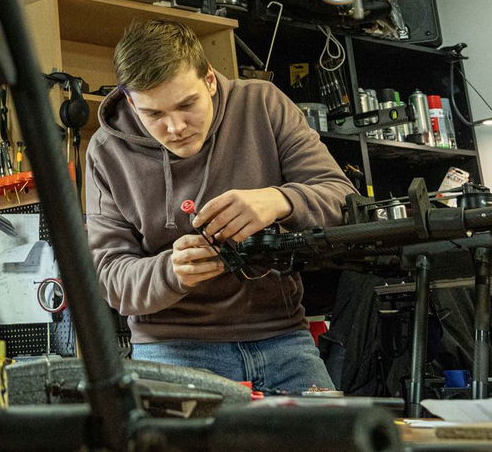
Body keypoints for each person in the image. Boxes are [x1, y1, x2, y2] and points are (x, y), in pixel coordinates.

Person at [84, 19, 355, 391]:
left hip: (281, 336)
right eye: (154, 115)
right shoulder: (106, 152)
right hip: (173, 347)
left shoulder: (263, 104)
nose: (176, 127)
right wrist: (172, 272)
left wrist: (280, 200)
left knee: (335, 427)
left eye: (186, 104)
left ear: (209, 80)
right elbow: (110, 277)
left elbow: (342, 200)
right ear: (131, 103)